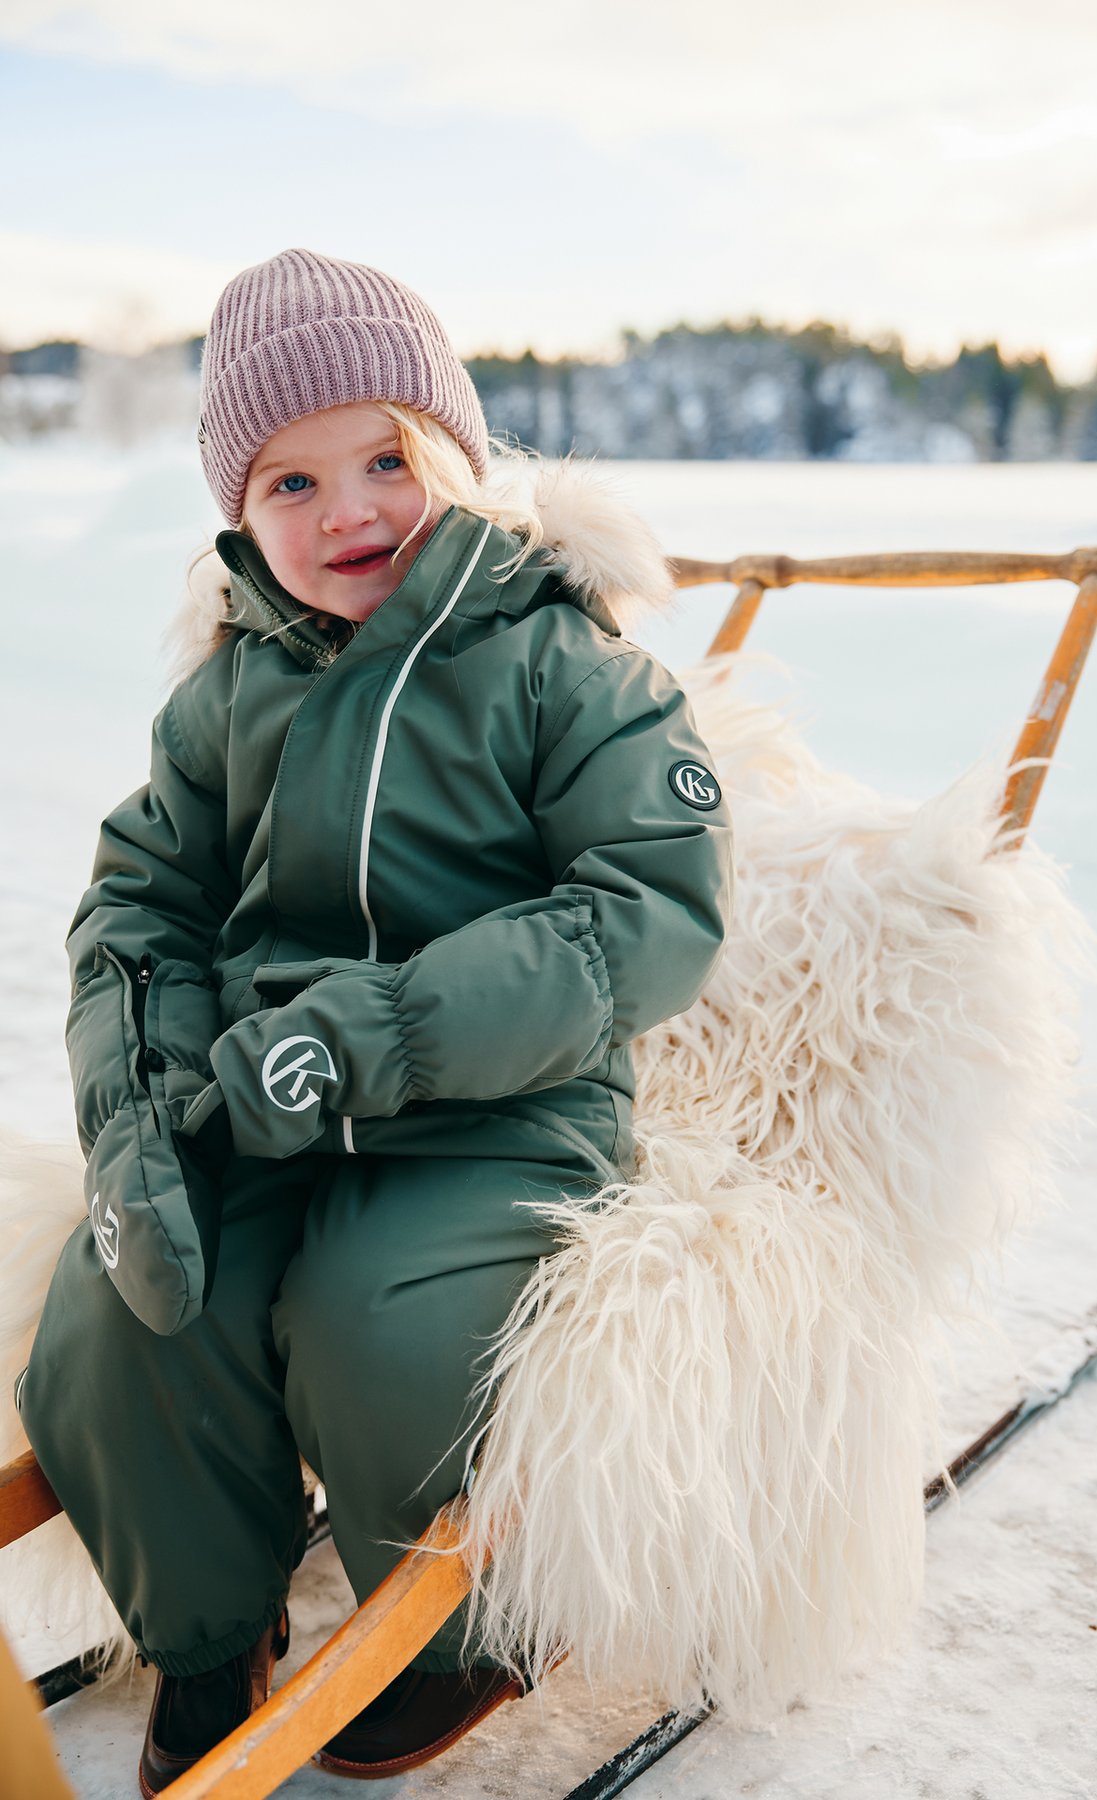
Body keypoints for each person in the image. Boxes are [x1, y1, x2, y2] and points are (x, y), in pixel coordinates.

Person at [17, 247, 734, 1792]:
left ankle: (471, 1626)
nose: (347, 511)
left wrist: (381, 1032)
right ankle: (210, 1628)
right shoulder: (228, 694)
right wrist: (142, 1114)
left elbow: (648, 913)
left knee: (383, 1327)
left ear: (462, 462)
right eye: (290, 481)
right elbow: (140, 911)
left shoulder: (564, 664)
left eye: (387, 458)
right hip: (259, 1097)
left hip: (495, 1109)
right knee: (120, 1313)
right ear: (239, 518)